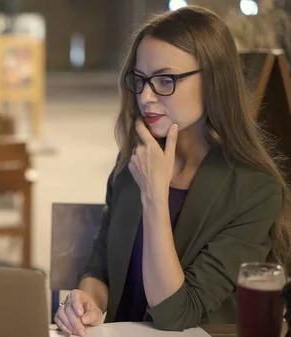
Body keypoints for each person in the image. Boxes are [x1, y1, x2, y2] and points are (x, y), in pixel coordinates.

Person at [55, 5, 291, 335]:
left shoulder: (254, 189)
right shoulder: (133, 164)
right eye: (139, 80)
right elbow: (101, 268)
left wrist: (155, 195)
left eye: (165, 80)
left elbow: (175, 315)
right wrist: (86, 300)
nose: (146, 96)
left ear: (213, 81)